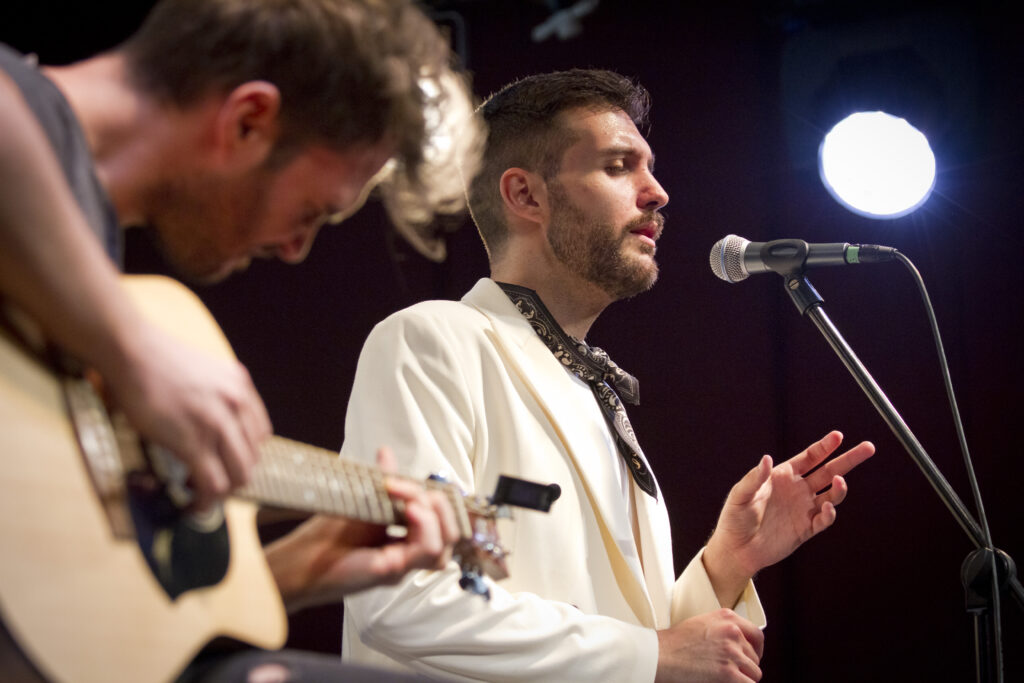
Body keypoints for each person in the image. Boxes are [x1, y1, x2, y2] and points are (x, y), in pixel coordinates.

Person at [339, 68, 876, 682]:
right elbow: (401, 598)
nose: (658, 193)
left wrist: (724, 565)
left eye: (647, 166)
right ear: (526, 196)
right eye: (619, 166)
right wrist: (653, 655)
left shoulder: (592, 387)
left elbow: (637, 641)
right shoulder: (432, 340)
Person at [0, 0, 480, 680]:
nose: (294, 249)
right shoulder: (36, 128)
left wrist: (290, 574)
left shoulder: (69, 255)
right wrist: (133, 349)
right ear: (248, 120)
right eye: (311, 213)